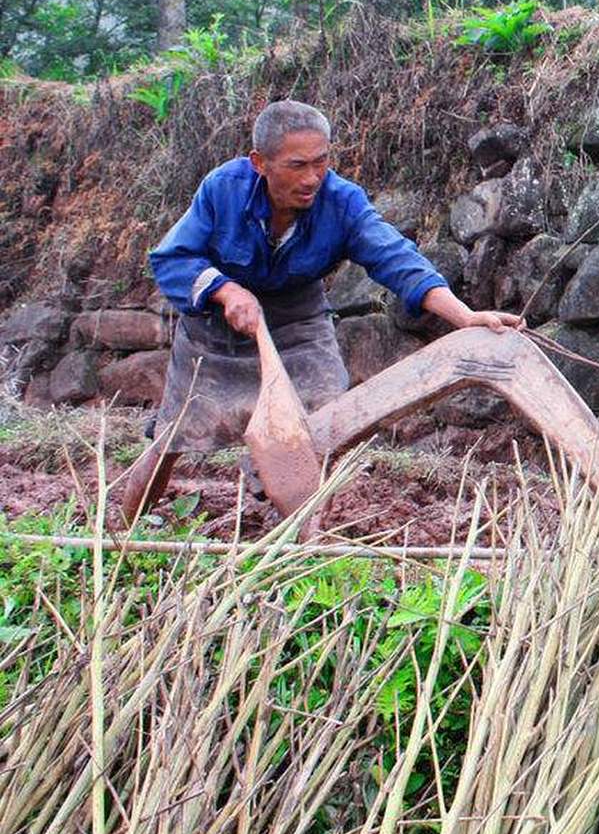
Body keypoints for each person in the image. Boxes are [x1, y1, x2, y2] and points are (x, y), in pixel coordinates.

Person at [118, 99, 521, 520]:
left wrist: (464, 316)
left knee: (324, 420)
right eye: (297, 165)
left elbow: (396, 257)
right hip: (215, 332)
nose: (313, 177)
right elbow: (172, 258)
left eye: (322, 161)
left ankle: (297, 533)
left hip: (299, 325)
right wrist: (226, 292)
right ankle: (121, 538)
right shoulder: (223, 189)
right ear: (260, 162)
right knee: (173, 439)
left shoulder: (342, 201)